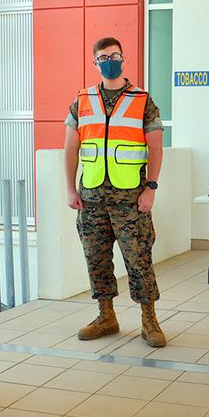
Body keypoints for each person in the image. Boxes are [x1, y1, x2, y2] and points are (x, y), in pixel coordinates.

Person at [64, 37, 167, 348]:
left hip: (131, 201)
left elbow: (155, 147)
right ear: (95, 63)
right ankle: (106, 315)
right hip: (91, 199)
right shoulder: (82, 100)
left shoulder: (142, 100)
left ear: (124, 59)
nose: (110, 60)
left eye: (115, 55)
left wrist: (151, 188)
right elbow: (71, 148)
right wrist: (71, 189)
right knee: (95, 259)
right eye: (103, 57)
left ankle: (149, 320)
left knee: (139, 260)